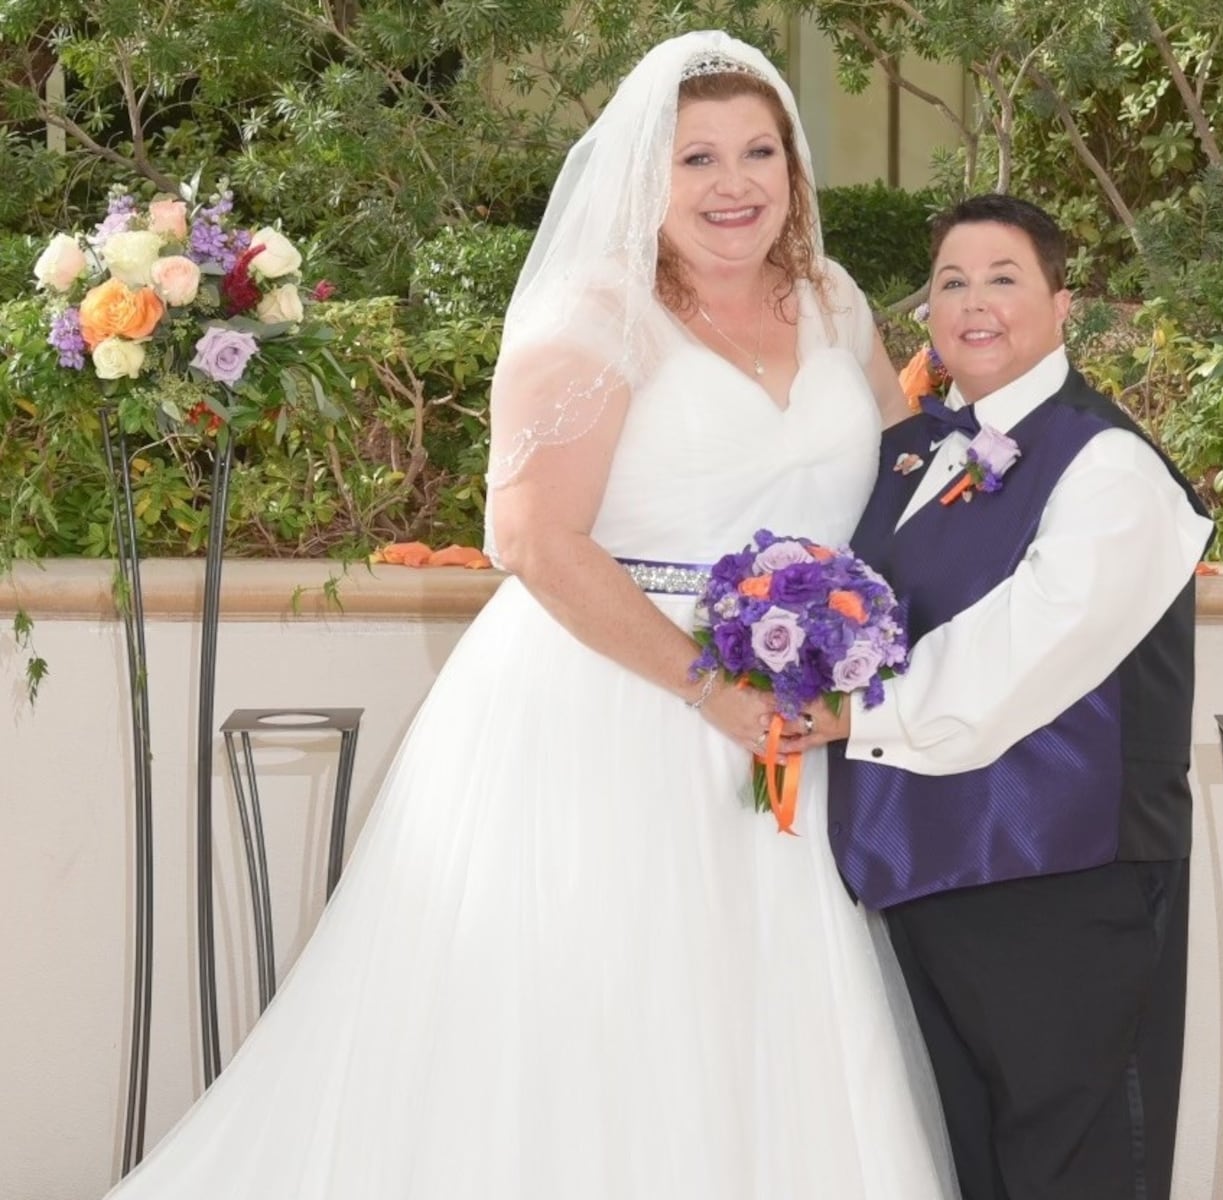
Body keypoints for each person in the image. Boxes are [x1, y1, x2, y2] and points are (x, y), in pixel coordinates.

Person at [105, 31, 954, 1199]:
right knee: (599, 1012)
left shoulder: (832, 299)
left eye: (760, 152)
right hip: (607, 705)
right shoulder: (595, 313)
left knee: (762, 1009)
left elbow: (898, 478)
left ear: (795, 173)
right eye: (696, 158)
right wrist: (712, 692)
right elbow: (531, 539)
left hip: (788, 714)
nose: (735, 183)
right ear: (643, 178)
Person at [793, 194, 1215, 1200]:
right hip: (937, 878)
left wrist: (852, 712)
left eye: (1002, 278)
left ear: (1062, 304)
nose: (973, 303)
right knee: (979, 1169)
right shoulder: (921, 457)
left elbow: (1027, 644)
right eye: (950, 282)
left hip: (1067, 883)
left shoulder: (1108, 462)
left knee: (1079, 1167)